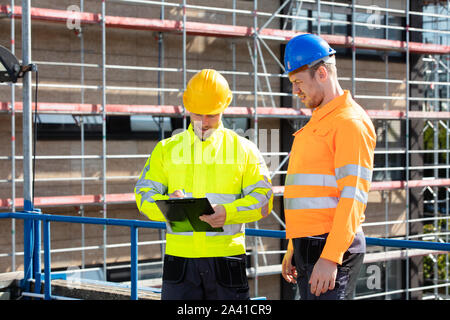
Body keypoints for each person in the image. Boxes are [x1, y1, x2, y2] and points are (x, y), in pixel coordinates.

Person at [134, 69, 273, 300]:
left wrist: (228, 213)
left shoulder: (244, 149)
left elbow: (265, 201)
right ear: (187, 107)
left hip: (226, 259)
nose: (204, 122)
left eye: (212, 115)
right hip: (180, 261)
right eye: (198, 114)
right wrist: (167, 205)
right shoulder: (166, 149)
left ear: (224, 107)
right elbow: (143, 194)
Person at [281, 34, 376, 300]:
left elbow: (353, 197)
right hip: (309, 247)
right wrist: (293, 246)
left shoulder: (349, 123)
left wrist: (331, 258)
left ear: (322, 73)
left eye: (298, 82)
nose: (295, 91)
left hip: (331, 250)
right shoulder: (319, 122)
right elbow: (310, 194)